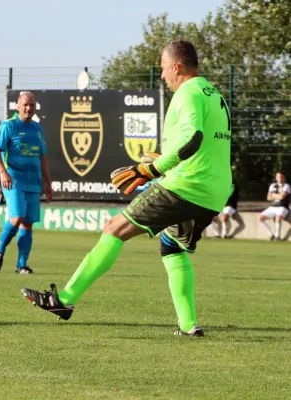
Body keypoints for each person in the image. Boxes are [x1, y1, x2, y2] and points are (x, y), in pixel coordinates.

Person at [21, 40, 232, 337]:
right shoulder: (212, 94)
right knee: (171, 247)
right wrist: (165, 159)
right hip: (214, 192)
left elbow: (193, 138)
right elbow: (205, 144)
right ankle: (188, 325)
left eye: (162, 68)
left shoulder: (186, 92)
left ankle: (64, 300)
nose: (161, 76)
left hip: (186, 186)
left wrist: (151, 169)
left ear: (176, 66)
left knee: (113, 228)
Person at [0, 91, 53, 274]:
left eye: (32, 105)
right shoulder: (8, 126)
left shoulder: (37, 129)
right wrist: (3, 172)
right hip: (13, 179)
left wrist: (48, 183)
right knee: (17, 217)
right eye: (25, 104)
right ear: (17, 106)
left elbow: (43, 157)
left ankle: (21, 265)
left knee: (27, 223)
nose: (28, 108)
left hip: (33, 181)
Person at [258, 172, 290, 241]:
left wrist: (273, 194)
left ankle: (277, 236)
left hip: (283, 207)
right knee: (261, 218)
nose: (280, 179)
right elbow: (268, 198)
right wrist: (277, 196)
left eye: (281, 177)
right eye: (278, 177)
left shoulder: (286, 186)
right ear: (276, 178)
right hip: (273, 206)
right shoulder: (273, 185)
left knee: (278, 217)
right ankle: (270, 235)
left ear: (284, 178)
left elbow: (282, 197)